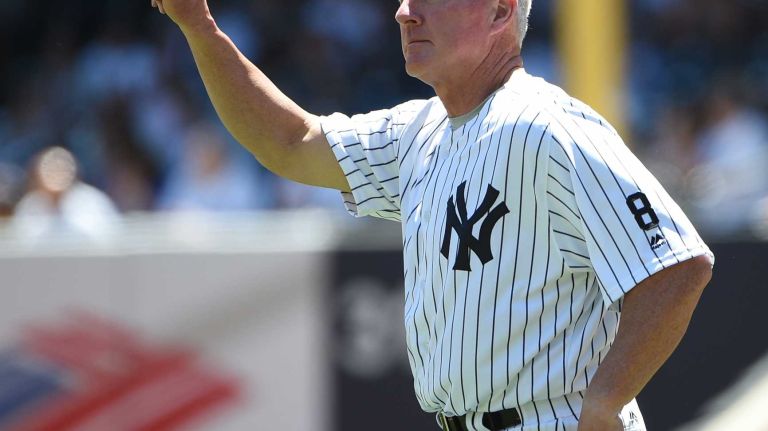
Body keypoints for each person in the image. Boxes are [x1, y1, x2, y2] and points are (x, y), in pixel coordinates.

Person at [151, 0, 714, 430]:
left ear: (499, 9)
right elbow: (292, 142)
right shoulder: (420, 132)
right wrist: (201, 29)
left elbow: (677, 264)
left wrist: (605, 402)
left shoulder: (546, 126)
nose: (403, 12)